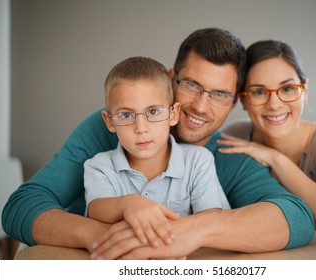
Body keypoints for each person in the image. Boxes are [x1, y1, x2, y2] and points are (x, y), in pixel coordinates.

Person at [2, 28, 315, 260]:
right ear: (171, 78)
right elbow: (21, 207)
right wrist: (110, 237)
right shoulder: (108, 129)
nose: (201, 106)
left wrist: (196, 231)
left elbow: (297, 217)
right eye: (192, 85)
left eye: (219, 94)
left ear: (233, 102)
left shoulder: (223, 155)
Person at [218, 39, 316, 245]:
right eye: (259, 92)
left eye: (287, 89)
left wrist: (276, 160)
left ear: (305, 91)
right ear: (244, 101)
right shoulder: (235, 137)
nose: (274, 104)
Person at [84, 56, 230, 248]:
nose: (141, 128)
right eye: (126, 115)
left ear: (173, 114)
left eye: (153, 112)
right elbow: (96, 208)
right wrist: (129, 204)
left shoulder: (198, 161)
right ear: (110, 121)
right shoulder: (99, 166)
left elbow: (210, 220)